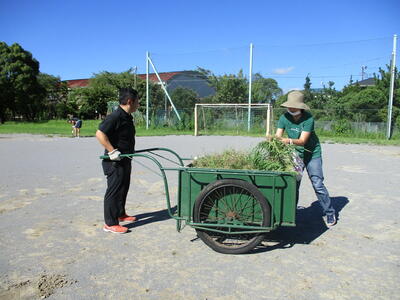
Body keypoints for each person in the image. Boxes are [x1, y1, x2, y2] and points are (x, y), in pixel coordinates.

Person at [275, 90, 336, 227]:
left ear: (300, 107)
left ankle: (329, 212)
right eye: (289, 106)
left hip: (312, 154)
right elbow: (278, 135)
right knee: (293, 184)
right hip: (295, 155)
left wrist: (287, 141)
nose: (290, 108)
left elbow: (302, 140)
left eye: (293, 106)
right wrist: (274, 140)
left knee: (317, 184)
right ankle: (291, 212)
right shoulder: (284, 118)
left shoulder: (308, 119)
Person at [95, 88, 140, 234]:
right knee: (114, 191)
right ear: (129, 101)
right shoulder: (115, 116)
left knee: (123, 188)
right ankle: (110, 223)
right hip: (114, 161)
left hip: (125, 159)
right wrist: (112, 151)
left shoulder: (127, 116)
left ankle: (120, 214)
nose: (138, 104)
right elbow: (100, 133)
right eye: (137, 101)